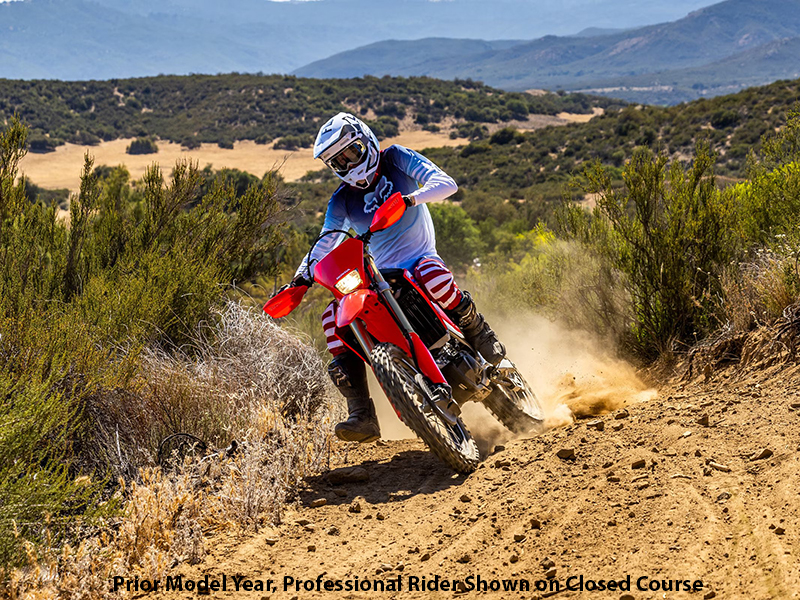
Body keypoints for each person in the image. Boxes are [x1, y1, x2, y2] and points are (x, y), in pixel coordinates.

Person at [282, 112, 504, 443]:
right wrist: (300, 280)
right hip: (378, 273)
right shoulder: (341, 199)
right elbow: (326, 239)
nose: (347, 164)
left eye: (351, 153)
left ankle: (478, 331)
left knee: (431, 275)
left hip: (419, 256)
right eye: (338, 162)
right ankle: (362, 413)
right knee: (332, 318)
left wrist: (410, 198)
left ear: (366, 140)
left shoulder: (395, 158)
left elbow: (445, 183)